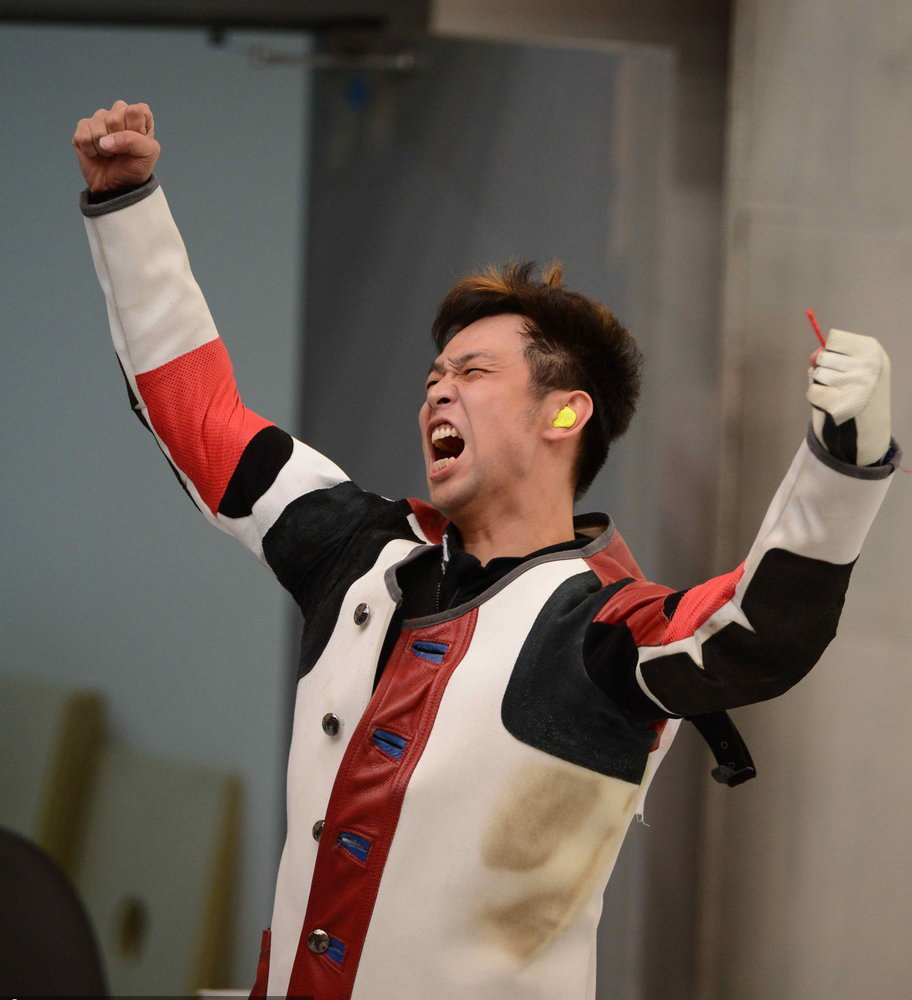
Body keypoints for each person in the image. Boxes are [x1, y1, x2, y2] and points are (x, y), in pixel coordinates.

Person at [73, 101, 900, 1000]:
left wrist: (845, 462)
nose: (438, 392)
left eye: (473, 373)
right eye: (434, 377)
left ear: (565, 413)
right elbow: (201, 419)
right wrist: (127, 207)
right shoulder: (361, 551)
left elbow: (755, 627)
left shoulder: (603, 628)